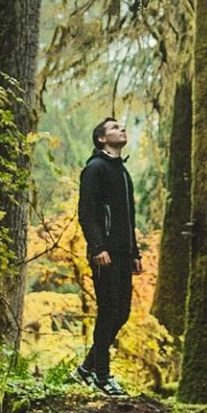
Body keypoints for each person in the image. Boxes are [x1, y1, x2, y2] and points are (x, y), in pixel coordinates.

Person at [75, 117, 141, 396]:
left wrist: (135, 252)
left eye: (121, 127)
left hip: (123, 254)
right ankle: (102, 377)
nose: (121, 129)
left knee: (122, 313)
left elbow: (128, 218)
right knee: (108, 312)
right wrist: (97, 247)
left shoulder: (122, 171)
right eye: (114, 128)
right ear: (101, 139)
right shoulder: (95, 169)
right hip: (104, 254)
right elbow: (87, 212)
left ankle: (86, 369)